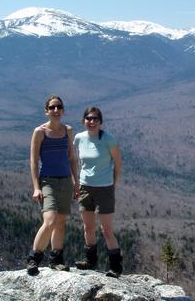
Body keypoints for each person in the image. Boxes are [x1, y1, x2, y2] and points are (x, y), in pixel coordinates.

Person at [26, 95, 78, 276]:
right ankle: (34, 258)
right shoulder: (39, 132)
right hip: (47, 180)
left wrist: (76, 182)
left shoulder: (67, 130)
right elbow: (33, 161)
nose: (56, 110)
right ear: (46, 111)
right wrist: (36, 187)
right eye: (52, 107)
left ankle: (56, 259)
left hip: (65, 180)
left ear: (63, 110)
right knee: (49, 221)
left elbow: (71, 157)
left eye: (59, 107)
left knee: (61, 222)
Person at [73, 106, 123, 277]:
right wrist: (76, 183)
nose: (91, 121)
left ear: (100, 122)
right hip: (85, 187)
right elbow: (74, 161)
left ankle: (116, 267)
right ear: (83, 120)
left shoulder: (109, 140)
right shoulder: (79, 138)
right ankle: (90, 261)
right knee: (88, 227)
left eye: (95, 119)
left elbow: (117, 164)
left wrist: (112, 185)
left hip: (104, 189)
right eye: (88, 118)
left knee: (106, 230)